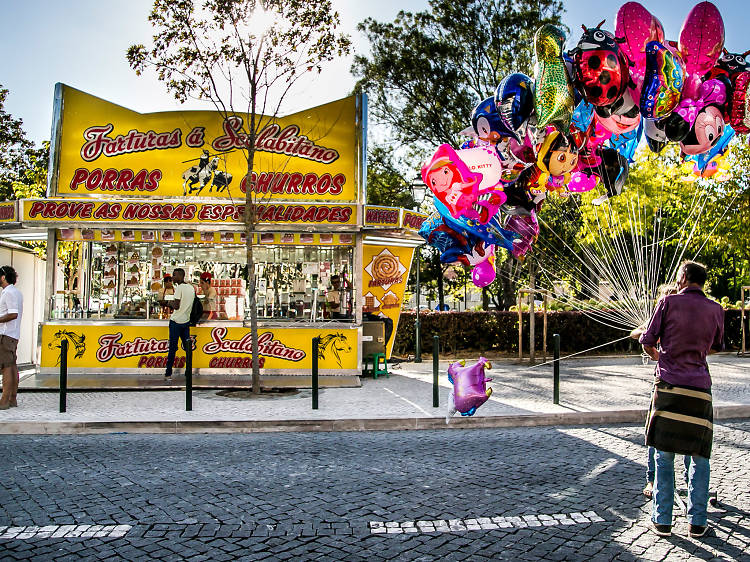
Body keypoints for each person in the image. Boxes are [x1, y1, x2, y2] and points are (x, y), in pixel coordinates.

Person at [639, 261, 724, 539]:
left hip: (669, 387)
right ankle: (697, 521)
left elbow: (647, 340)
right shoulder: (716, 310)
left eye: (678, 277)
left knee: (664, 454)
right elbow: (715, 346)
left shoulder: (667, 302)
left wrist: (662, 357)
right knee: (700, 455)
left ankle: (663, 520)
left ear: (685, 277)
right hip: (700, 388)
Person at [159, 268, 195, 382]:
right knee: (188, 348)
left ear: (180, 276)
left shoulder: (179, 288)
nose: (173, 278)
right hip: (186, 321)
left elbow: (176, 305)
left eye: (174, 276)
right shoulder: (191, 288)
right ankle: (188, 371)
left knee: (173, 348)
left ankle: (168, 373)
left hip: (176, 322)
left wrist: (166, 303)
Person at [0, 266, 23, 410]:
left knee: (6, 367)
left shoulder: (8, 293)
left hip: (6, 334)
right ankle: (13, 398)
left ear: (3, 277)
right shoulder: (16, 292)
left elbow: (13, 314)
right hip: (13, 334)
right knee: (13, 366)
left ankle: (4, 400)